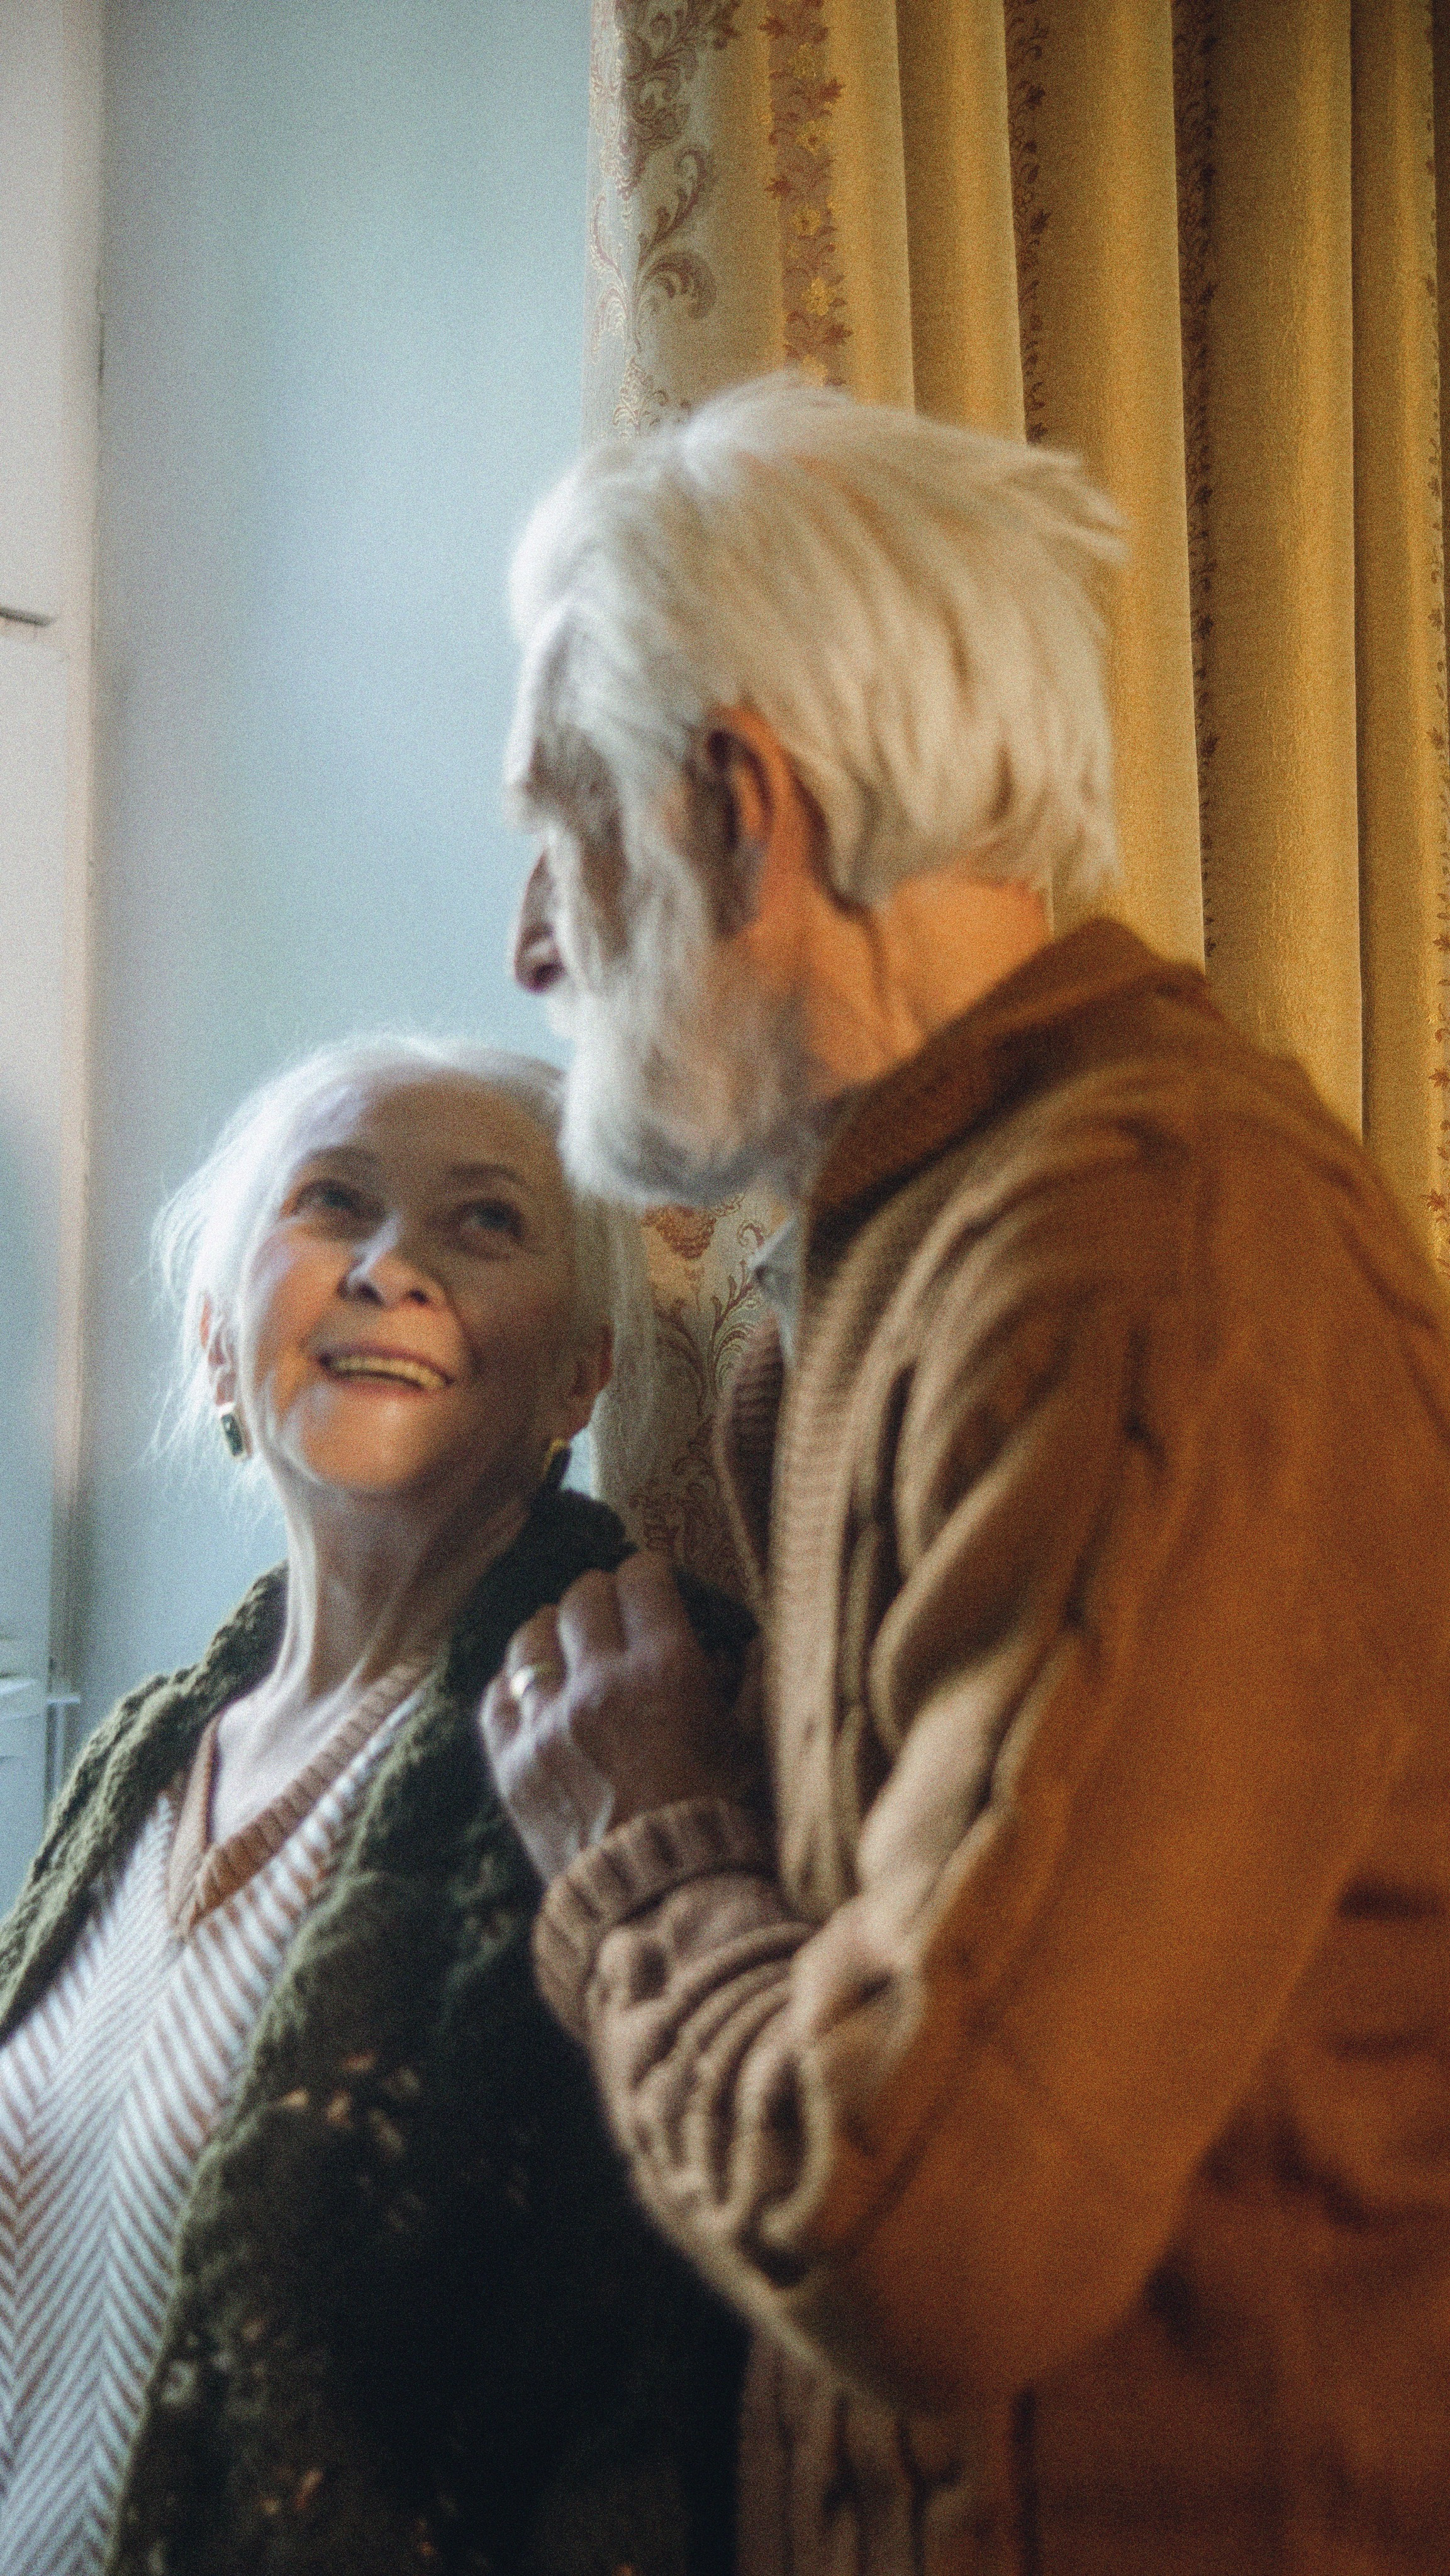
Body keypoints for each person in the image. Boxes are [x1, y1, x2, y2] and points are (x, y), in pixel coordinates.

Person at [481, 375, 1450, 2576]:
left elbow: (930, 2239)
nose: (530, 947)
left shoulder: (1139, 1252)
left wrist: (632, 1852)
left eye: (561, 829)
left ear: (737, 808)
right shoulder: (866, 1271)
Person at [0, 1034, 746, 2576]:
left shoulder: (638, 1710)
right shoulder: (140, 1759)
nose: (392, 1265)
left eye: (485, 1222)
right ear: (218, 1343)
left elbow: (665, 2371)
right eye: (334, 1202)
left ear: (580, 1374)